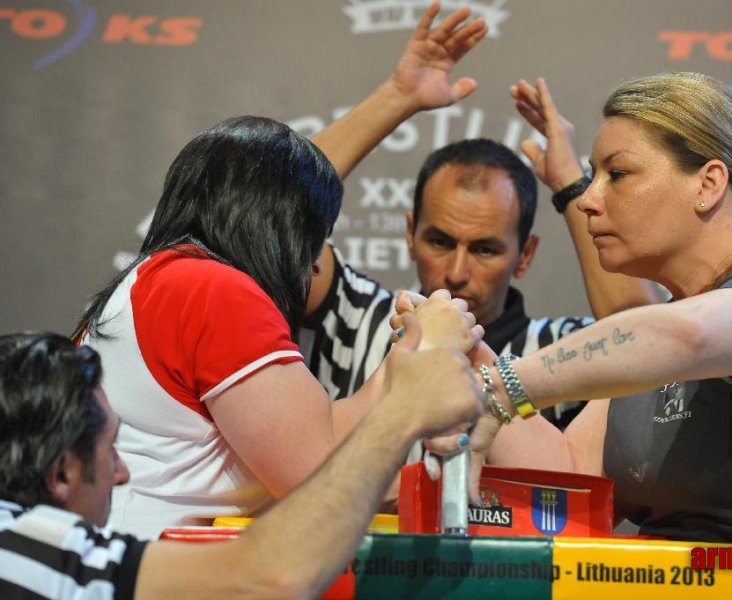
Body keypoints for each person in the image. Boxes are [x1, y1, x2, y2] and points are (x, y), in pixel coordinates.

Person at [428, 73, 732, 598]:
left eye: (618, 173)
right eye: (592, 176)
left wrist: (502, 388)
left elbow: (687, 338)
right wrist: (469, 358)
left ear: (707, 184)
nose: (589, 199)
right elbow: (569, 474)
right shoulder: (656, 340)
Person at [69, 4, 488, 538]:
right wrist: (423, 346)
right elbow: (319, 471)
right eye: (315, 237)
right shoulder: (209, 289)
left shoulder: (158, 280)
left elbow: (302, 455)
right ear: (284, 229)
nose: (315, 261)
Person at [303, 9, 658, 430]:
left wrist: (569, 183)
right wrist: (398, 96)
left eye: (485, 249)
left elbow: (645, 342)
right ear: (409, 234)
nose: (455, 273)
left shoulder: (560, 350)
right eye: (439, 242)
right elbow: (272, 209)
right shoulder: (353, 318)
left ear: (524, 256)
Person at [0, 326, 482, 599]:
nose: (122, 473)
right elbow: (271, 576)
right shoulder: (28, 550)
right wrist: (400, 413)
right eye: (110, 449)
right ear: (62, 472)